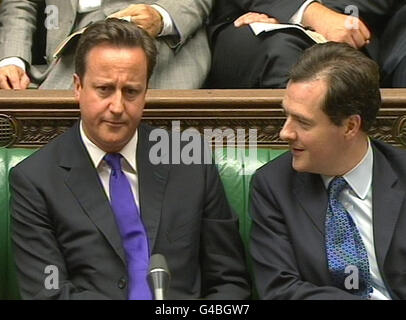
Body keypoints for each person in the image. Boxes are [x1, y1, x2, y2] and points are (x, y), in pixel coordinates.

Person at [10, 18, 251, 300]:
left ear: (146, 91)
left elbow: (229, 282)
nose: (117, 107)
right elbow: (47, 291)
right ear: (78, 87)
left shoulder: (190, 162)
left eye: (131, 91)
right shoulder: (36, 179)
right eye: (104, 89)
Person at [250, 42, 406, 299]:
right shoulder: (274, 186)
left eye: (303, 122)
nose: (285, 133)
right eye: (286, 116)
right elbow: (280, 290)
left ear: (350, 126)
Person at [0, 0, 211, 89]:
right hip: (59, 59)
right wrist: (12, 59)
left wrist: (161, 17)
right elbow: (19, 3)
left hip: (156, 43)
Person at [207, 0, 371, 89]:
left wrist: (330, 18)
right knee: (282, 51)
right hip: (246, 16)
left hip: (352, 23)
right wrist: (304, 12)